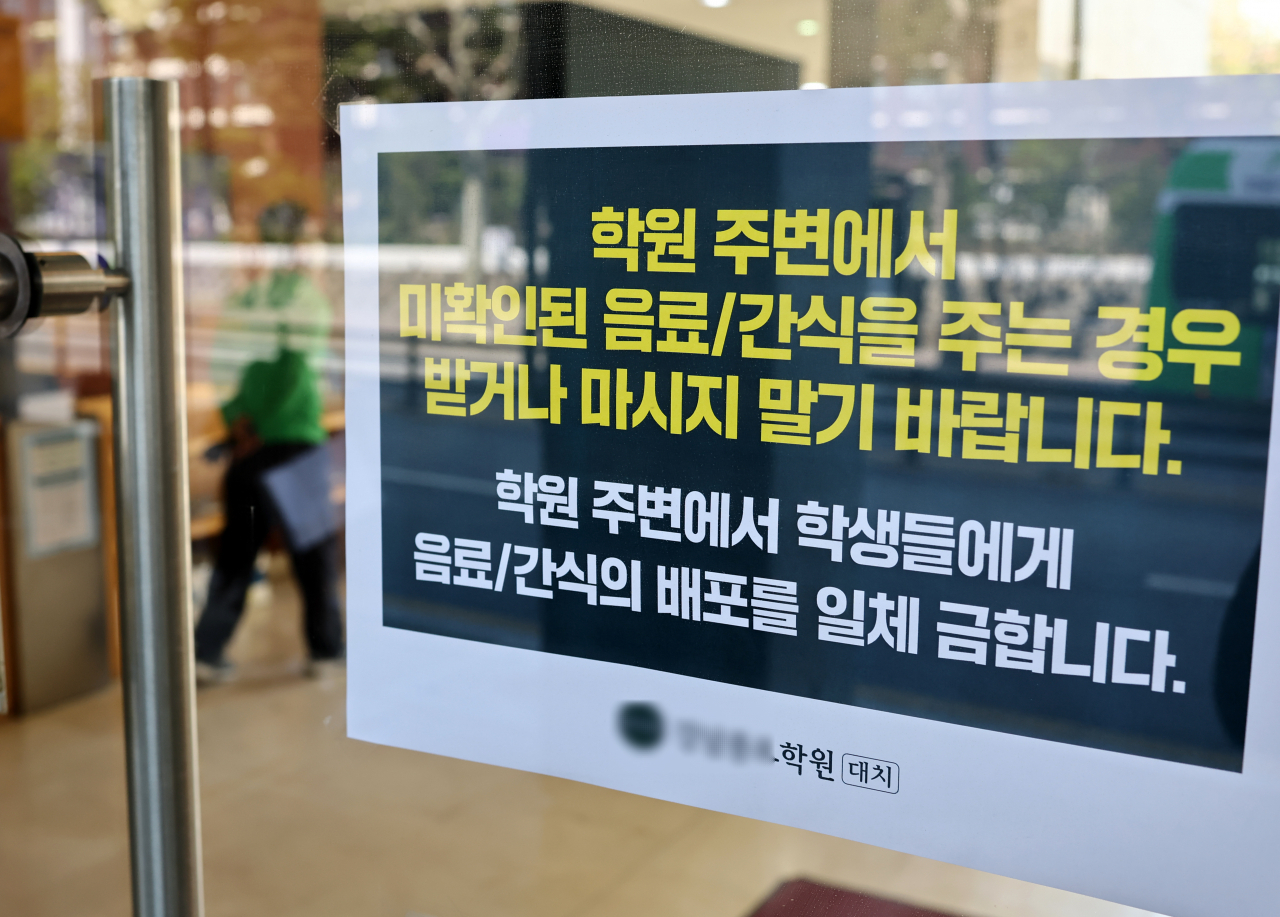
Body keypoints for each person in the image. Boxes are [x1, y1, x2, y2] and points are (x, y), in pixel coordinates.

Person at [194, 202, 343, 683]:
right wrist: (271, 421)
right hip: (295, 443)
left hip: (249, 450)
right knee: (313, 558)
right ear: (299, 247)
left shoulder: (246, 301)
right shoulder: (305, 298)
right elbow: (299, 376)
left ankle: (206, 652)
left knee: (236, 559)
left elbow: (223, 371)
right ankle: (325, 652)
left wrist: (241, 425)